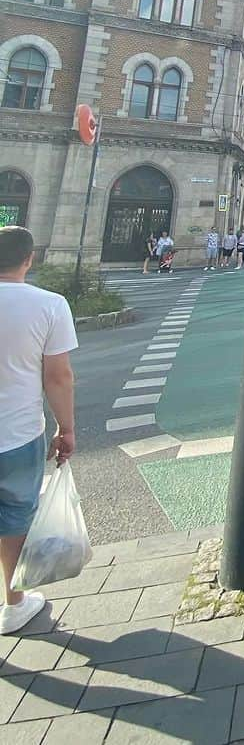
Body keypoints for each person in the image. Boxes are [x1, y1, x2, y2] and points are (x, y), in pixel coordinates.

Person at [0, 226, 78, 634]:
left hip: (19, 433)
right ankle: (13, 603)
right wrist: (66, 429)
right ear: (29, 259)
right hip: (17, 434)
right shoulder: (48, 305)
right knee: (14, 517)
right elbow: (58, 377)